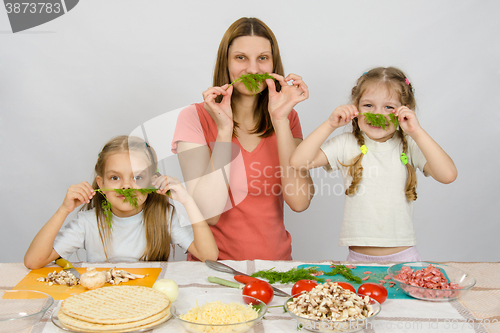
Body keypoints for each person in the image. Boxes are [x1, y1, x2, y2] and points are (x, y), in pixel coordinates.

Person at [171, 17, 314, 261]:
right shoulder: (193, 118)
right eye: (240, 58)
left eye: (262, 58)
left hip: (277, 269)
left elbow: (299, 201)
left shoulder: (287, 119)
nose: (253, 70)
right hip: (214, 272)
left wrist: (279, 121)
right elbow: (208, 213)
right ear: (225, 63)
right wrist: (224, 131)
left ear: (273, 63)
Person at [290, 67, 457, 262]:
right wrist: (330, 124)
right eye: (368, 105)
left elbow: (448, 175)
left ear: (405, 110)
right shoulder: (346, 143)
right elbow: (298, 161)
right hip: (357, 259)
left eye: (388, 107)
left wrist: (417, 131)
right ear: (356, 107)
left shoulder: (410, 145)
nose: (378, 114)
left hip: (404, 258)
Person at [24, 136, 218, 269]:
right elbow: (33, 261)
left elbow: (208, 256)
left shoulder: (164, 217)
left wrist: (187, 201)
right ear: (101, 183)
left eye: (137, 177)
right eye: (115, 178)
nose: (126, 186)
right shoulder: (87, 222)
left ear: (152, 182)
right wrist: (63, 210)